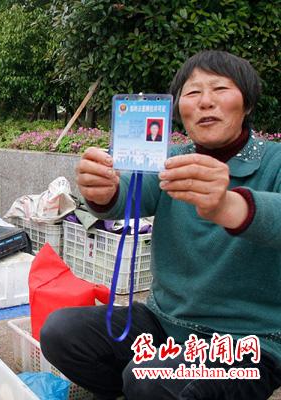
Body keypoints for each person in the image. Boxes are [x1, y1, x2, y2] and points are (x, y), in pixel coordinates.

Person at [41, 50, 281, 399]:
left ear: (246, 104)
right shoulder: (170, 159)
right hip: (165, 323)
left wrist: (231, 204)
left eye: (220, 89)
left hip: (249, 340)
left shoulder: (274, 162)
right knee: (60, 332)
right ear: (179, 109)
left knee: (147, 379)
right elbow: (125, 198)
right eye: (193, 92)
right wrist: (102, 191)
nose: (206, 102)